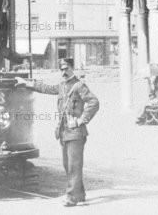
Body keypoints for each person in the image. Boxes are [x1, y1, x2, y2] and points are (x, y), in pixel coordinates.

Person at [15, 59, 99, 207]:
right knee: (68, 165)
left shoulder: (79, 86)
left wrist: (82, 120)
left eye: (66, 68)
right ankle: (79, 194)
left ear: (73, 68)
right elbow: (46, 88)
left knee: (74, 166)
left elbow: (94, 102)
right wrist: (27, 83)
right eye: (61, 69)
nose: (63, 72)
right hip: (64, 132)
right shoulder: (62, 86)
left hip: (76, 132)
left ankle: (72, 197)